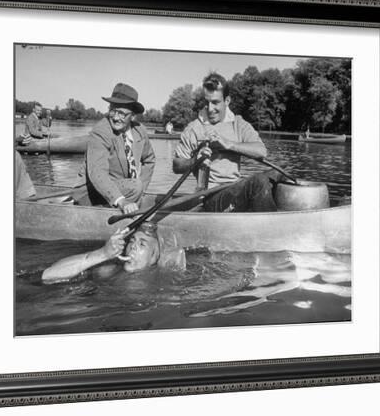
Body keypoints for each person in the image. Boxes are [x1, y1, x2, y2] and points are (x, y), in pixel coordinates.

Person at [172, 72, 278, 212]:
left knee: (276, 175)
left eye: (215, 102)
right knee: (258, 182)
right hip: (210, 197)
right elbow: (176, 165)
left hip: (234, 190)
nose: (210, 109)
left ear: (227, 101)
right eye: (206, 102)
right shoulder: (194, 128)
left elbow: (261, 151)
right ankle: (271, 228)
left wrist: (229, 144)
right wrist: (194, 161)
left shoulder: (239, 124)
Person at [72, 83, 156, 214]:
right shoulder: (100, 132)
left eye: (122, 114)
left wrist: (142, 191)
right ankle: (107, 213)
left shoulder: (140, 131)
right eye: (113, 111)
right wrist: (121, 200)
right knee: (135, 186)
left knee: (137, 186)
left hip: (124, 190)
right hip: (90, 192)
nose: (116, 118)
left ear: (132, 115)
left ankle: (123, 210)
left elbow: (149, 160)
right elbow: (97, 173)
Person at [41, 222, 185, 284]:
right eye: (132, 241)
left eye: (142, 244)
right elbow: (48, 275)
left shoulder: (162, 282)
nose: (133, 247)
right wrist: (103, 253)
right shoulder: (109, 270)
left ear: (154, 257)